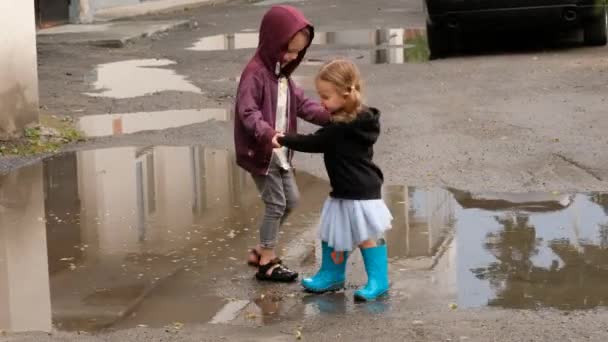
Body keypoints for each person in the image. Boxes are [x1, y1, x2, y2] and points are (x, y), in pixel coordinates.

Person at [277, 59, 393, 301]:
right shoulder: (349, 120)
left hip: (359, 192)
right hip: (344, 189)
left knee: (365, 236)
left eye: (326, 96)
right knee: (333, 232)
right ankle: (331, 274)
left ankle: (379, 281)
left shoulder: (344, 128)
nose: (322, 101)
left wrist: (283, 138)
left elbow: (315, 142)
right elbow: (322, 136)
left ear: (346, 93)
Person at [234, 5, 330, 282]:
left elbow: (302, 104)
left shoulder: (282, 74)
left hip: (281, 153)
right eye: (287, 50)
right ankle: (267, 261)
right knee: (276, 204)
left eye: (298, 53)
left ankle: (260, 249)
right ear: (272, 41)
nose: (291, 57)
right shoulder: (254, 74)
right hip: (262, 151)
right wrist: (266, 133)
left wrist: (332, 118)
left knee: (292, 201)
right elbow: (247, 111)